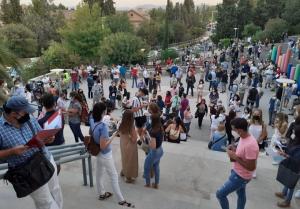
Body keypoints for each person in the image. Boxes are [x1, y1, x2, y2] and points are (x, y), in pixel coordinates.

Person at [0, 96, 63, 209]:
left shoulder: (28, 118)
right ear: (14, 113)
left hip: (46, 159)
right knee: (45, 202)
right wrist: (12, 151)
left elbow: (40, 134)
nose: (28, 114)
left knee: (56, 190)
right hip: (27, 172)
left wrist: (48, 139)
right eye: (25, 111)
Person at [90, 103, 134, 208]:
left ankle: (101, 193)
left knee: (99, 174)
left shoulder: (92, 121)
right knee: (114, 177)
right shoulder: (103, 127)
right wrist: (113, 136)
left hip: (98, 153)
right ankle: (121, 200)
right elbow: (103, 145)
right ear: (103, 112)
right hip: (105, 154)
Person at [216, 118, 259, 209]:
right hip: (238, 172)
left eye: (233, 129)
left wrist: (235, 157)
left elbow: (251, 167)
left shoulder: (250, 145)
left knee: (220, 194)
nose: (232, 131)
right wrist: (234, 149)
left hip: (241, 176)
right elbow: (242, 155)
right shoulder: (243, 138)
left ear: (239, 130)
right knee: (241, 194)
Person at [275, 125, 300, 208]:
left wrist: (285, 155)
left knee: (291, 184)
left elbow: (296, 160)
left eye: (294, 133)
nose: (292, 134)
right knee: (288, 179)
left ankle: (287, 201)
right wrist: (284, 151)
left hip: (296, 167)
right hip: (292, 164)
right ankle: (284, 193)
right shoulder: (295, 141)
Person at [144, 113, 164, 189]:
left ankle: (148, 184)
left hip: (154, 152)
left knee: (146, 167)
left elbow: (153, 146)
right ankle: (156, 184)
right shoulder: (160, 127)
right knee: (156, 166)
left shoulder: (153, 132)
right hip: (160, 150)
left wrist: (148, 138)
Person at [118, 110, 138, 183]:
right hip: (130, 145)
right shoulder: (131, 126)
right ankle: (128, 177)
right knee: (130, 161)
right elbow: (134, 139)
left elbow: (119, 133)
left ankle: (123, 171)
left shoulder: (121, 124)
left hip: (123, 143)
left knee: (124, 158)